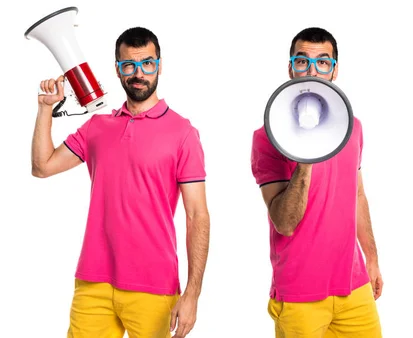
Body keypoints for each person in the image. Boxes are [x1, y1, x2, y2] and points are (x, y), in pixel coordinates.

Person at [31, 27, 209, 338]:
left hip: (153, 287)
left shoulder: (183, 133)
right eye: (129, 65)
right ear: (118, 69)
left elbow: (197, 215)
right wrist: (45, 108)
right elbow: (42, 167)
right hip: (93, 282)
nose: (139, 73)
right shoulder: (97, 126)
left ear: (159, 65)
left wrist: (192, 294)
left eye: (147, 64)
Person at [250, 27, 383, 337]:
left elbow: (358, 195)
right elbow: (284, 222)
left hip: (354, 286)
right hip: (299, 294)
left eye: (323, 62)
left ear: (334, 71)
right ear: (290, 68)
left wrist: (372, 258)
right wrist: (306, 155)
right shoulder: (265, 138)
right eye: (302, 61)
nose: (312, 70)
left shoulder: (353, 127)